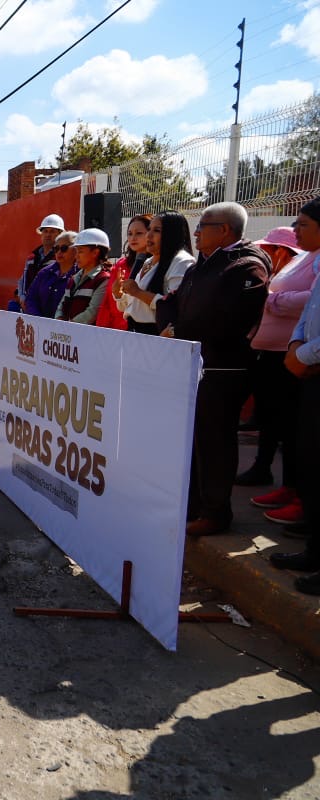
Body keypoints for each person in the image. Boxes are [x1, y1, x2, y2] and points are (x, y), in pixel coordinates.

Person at [158, 202, 270, 538]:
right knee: (193, 441)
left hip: (223, 369)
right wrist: (171, 326)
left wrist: (180, 331)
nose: (196, 232)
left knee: (215, 442)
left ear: (224, 230)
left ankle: (216, 512)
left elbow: (228, 321)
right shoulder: (203, 266)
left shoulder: (246, 268)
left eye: (203, 225)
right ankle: (192, 505)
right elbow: (170, 302)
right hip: (192, 364)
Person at [239, 222, 318, 524]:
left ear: (281, 250)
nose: (266, 253)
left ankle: (297, 491)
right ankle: (273, 476)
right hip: (272, 352)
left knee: (292, 426)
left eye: (271, 249)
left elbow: (306, 302)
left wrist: (270, 300)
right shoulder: (300, 262)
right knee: (272, 418)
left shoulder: (310, 262)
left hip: (293, 357)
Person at [268, 197, 320, 594]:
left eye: (303, 223)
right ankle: (313, 549)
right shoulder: (317, 265)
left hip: (311, 364)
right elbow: (307, 317)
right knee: (306, 451)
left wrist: (303, 354)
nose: (296, 230)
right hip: (305, 365)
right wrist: (298, 345)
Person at [117, 212, 194, 335]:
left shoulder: (182, 262)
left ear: (172, 234)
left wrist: (138, 292)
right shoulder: (147, 261)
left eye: (157, 230)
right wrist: (119, 294)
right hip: (133, 332)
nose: (149, 235)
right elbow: (132, 305)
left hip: (155, 334)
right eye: (148, 229)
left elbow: (175, 306)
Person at [97, 215, 151, 330]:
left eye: (139, 233)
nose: (133, 238)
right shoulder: (121, 264)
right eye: (130, 233)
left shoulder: (156, 265)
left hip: (141, 331)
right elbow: (108, 301)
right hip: (114, 331)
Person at [55, 228, 112, 325]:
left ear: (95, 253)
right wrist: (59, 319)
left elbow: (92, 312)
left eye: (80, 251)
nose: (76, 256)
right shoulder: (74, 278)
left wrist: (67, 326)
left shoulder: (103, 279)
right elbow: (61, 305)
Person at [22, 231, 78, 318]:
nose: (59, 252)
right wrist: (39, 320)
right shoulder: (44, 272)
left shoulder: (81, 274)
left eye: (64, 248)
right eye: (56, 249)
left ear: (76, 250)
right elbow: (31, 299)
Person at [18, 214, 64, 303]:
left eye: (52, 231)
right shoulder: (32, 257)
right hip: (30, 304)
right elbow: (23, 281)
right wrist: (22, 297)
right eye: (45, 231)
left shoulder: (61, 256)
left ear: (60, 234)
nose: (48, 235)